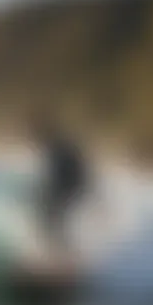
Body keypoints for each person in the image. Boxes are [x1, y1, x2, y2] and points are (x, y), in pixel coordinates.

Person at [29, 112, 91, 261]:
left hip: (72, 184)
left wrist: (46, 193)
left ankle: (63, 255)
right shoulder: (56, 142)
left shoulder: (55, 143)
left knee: (52, 216)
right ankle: (61, 253)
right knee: (51, 217)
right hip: (73, 183)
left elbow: (62, 172)